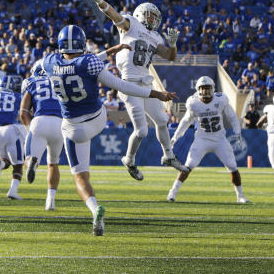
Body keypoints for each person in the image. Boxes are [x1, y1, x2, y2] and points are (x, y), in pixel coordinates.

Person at [38, 25, 177, 236]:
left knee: (80, 177)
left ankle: (95, 210)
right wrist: (155, 94)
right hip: (97, 119)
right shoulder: (89, 62)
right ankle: (97, 210)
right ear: (82, 43)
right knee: (103, 96)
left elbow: (70, 65)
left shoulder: (49, 62)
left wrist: (109, 52)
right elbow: (121, 85)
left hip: (73, 128)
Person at [82, 0, 187, 178]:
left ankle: (168, 156)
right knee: (142, 131)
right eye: (150, 15)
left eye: (156, 17)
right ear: (140, 13)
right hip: (129, 83)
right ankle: (129, 160)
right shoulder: (132, 24)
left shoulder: (155, 37)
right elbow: (113, 15)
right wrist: (101, 1)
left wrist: (173, 44)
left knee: (162, 121)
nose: (153, 19)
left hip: (146, 83)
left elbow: (170, 56)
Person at [168, 76, 248, 204]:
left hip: (220, 139)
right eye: (203, 88)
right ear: (198, 89)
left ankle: (241, 196)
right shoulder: (194, 103)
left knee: (233, 166)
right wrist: (176, 137)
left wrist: (238, 131)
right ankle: (172, 192)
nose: (205, 91)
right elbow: (185, 122)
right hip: (202, 139)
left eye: (207, 88)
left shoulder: (220, 100)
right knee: (189, 165)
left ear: (212, 88)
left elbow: (232, 117)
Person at [20, 65, 64, 211]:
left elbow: (23, 112)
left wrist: (29, 129)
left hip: (39, 121)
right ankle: (50, 201)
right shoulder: (61, 81)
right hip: (60, 123)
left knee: (30, 157)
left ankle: (32, 162)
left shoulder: (32, 83)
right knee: (53, 163)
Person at [0, 75, 27, 200]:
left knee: (5, 161)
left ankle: (0, 164)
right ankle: (12, 191)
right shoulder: (17, 96)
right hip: (11, 129)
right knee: (18, 164)